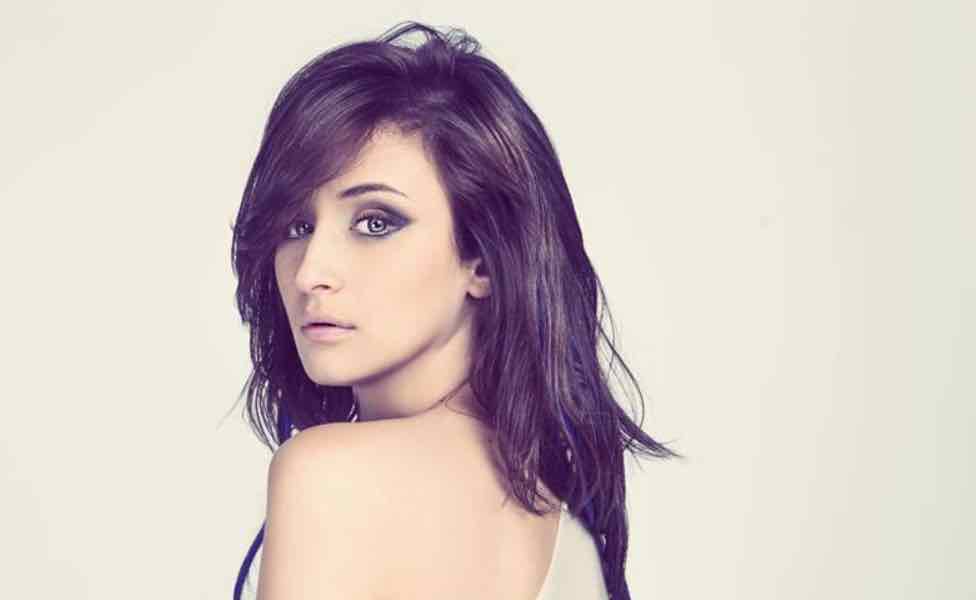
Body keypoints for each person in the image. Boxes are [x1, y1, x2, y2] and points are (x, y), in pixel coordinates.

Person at [227, 21, 681, 600]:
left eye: (375, 223)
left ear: (482, 260)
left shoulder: (329, 476)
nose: (310, 272)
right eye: (296, 226)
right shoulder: (558, 512)